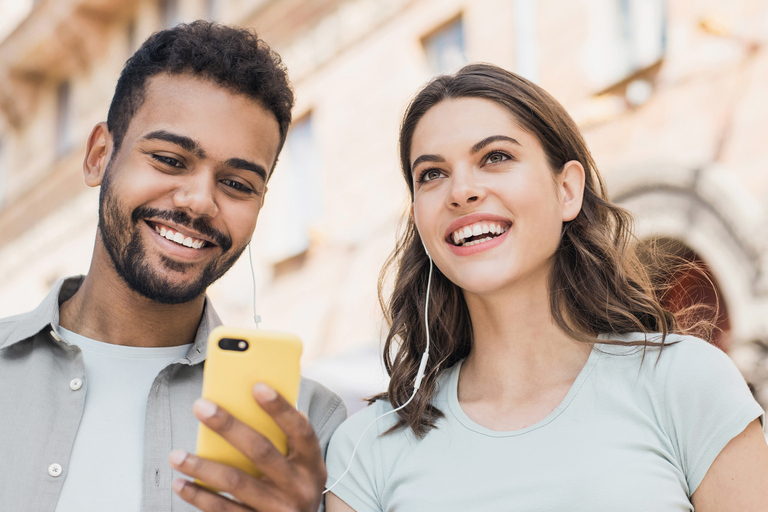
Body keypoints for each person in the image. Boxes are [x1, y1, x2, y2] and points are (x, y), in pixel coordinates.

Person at [324, 63, 768, 511]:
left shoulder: (685, 382)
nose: (461, 191)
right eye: (432, 174)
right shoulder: (366, 449)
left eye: (495, 157)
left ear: (567, 190)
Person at [0, 21, 345, 512]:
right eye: (169, 159)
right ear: (99, 155)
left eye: (238, 185)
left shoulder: (312, 428)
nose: (200, 202)